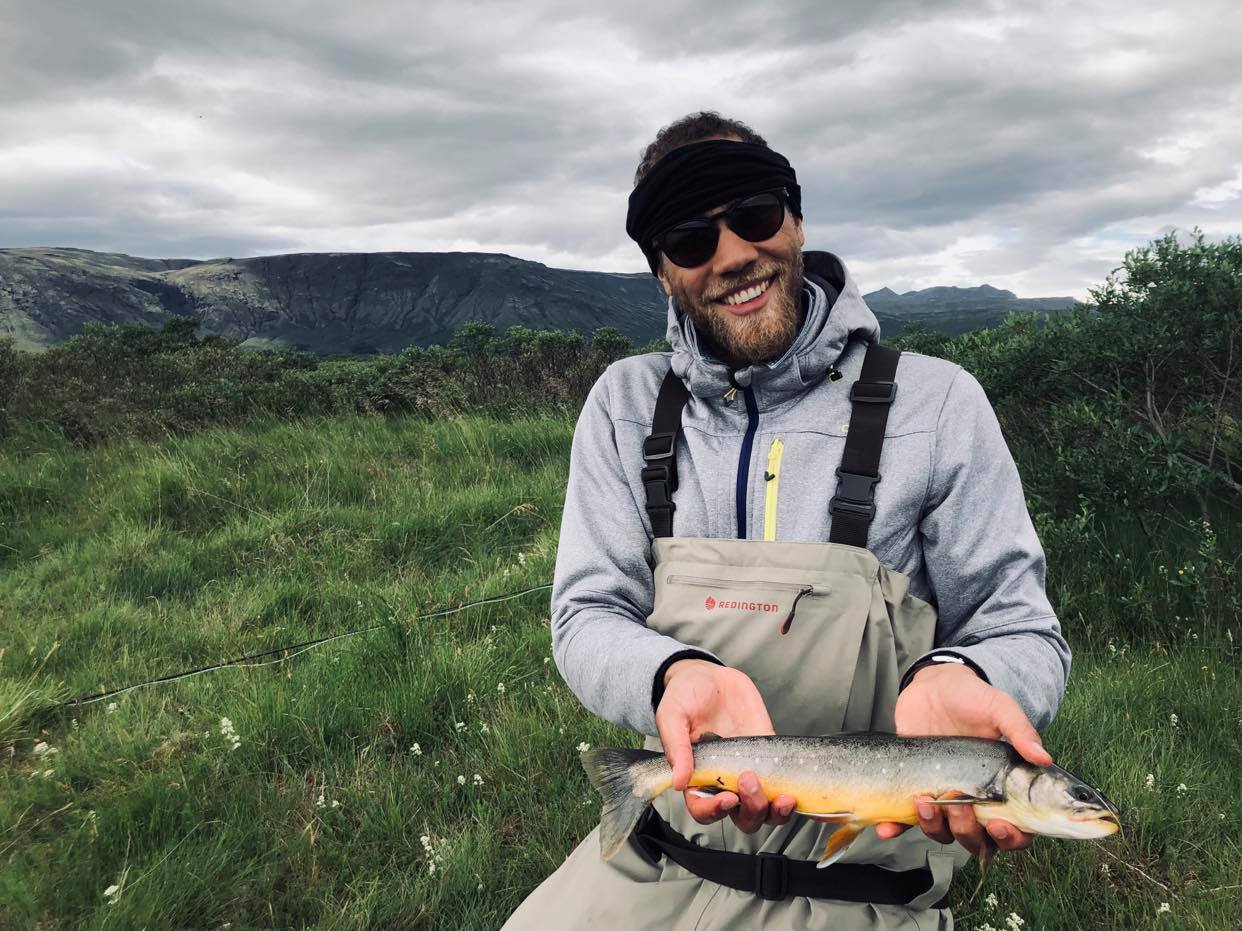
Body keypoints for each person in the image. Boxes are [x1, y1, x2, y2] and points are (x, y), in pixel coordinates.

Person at [501, 112, 1069, 930]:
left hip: (864, 887)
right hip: (653, 860)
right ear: (663, 272)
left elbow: (1023, 627)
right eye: (693, 240)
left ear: (796, 219)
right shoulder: (623, 407)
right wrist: (671, 675)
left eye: (756, 217)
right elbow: (585, 611)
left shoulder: (938, 405)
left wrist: (968, 676)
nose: (734, 254)